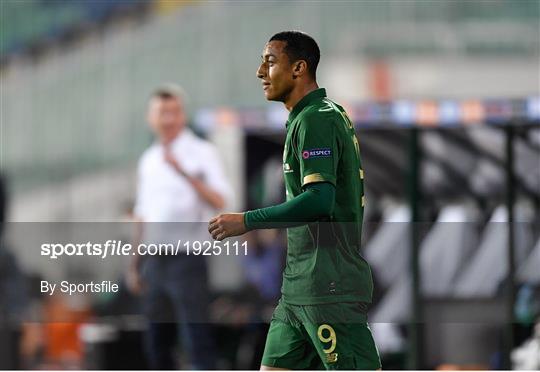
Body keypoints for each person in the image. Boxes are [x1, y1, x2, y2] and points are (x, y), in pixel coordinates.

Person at [209, 31, 381, 370]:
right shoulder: (308, 116)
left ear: (299, 68)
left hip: (327, 286)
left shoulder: (317, 118)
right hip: (299, 288)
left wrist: (246, 221)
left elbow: (319, 201)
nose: (261, 72)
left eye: (270, 62)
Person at [128, 84, 231, 370]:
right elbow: (142, 215)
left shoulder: (201, 152)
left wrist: (184, 173)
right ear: (151, 118)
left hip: (188, 258)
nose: (169, 119)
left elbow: (220, 198)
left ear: (183, 116)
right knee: (156, 341)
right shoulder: (148, 160)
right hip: (155, 261)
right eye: (162, 113)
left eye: (174, 112)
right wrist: (135, 263)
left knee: (196, 337)